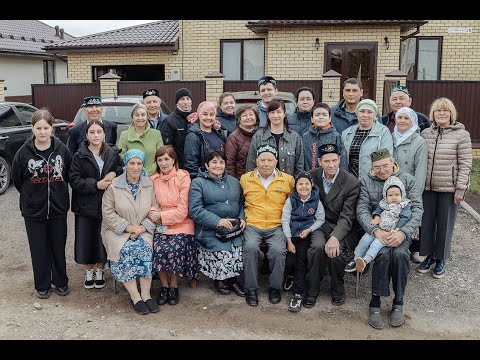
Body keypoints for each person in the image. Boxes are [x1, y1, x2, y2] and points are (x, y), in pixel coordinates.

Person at [356, 148, 423, 329]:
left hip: (402, 231)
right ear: (372, 167)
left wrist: (403, 232)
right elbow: (362, 209)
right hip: (379, 232)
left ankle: (398, 301)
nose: (382, 170)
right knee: (383, 255)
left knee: (400, 255)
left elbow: (417, 209)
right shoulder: (367, 182)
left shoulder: (407, 179)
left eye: (385, 165)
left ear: (392, 161)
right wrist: (374, 230)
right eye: (377, 167)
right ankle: (375, 301)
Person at [12, 109, 72, 299]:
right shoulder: (23, 153)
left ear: (52, 128)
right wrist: (32, 196)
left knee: (57, 246)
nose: (43, 132)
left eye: (46, 127)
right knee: (38, 249)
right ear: (32, 129)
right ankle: (42, 285)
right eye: (38, 128)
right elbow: (18, 179)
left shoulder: (62, 149)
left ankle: (61, 282)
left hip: (58, 209)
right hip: (33, 211)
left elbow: (69, 174)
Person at [418, 98, 472, 279]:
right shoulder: (426, 133)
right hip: (427, 188)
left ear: (451, 113)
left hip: (448, 188)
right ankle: (429, 256)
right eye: (438, 110)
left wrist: (460, 189)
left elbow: (465, 164)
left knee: (444, 225)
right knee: (427, 225)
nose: (441, 113)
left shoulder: (461, 135)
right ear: (432, 114)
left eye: (445, 110)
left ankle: (441, 258)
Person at [101, 149, 160, 315]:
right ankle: (135, 297)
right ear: (125, 165)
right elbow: (108, 213)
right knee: (126, 250)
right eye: (132, 163)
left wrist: (141, 228)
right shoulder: (114, 186)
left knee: (144, 250)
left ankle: (146, 295)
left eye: (139, 163)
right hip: (117, 231)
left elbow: (156, 209)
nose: (135, 167)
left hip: (143, 229)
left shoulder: (149, 184)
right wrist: (128, 228)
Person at [69, 120, 124, 290]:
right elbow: (74, 179)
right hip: (85, 205)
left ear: (104, 134)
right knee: (86, 238)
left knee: (102, 238)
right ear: (86, 135)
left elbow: (121, 168)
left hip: (106, 204)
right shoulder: (79, 155)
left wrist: (114, 172)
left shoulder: (112, 152)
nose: (96, 135)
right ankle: (88, 270)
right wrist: (96, 185)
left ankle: (100, 270)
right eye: (92, 132)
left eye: (99, 132)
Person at [306, 143, 361, 308]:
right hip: (319, 225)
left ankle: (337, 286)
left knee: (335, 251)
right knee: (316, 248)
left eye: (334, 160)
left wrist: (335, 237)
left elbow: (347, 215)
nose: (331, 165)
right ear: (320, 162)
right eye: (327, 161)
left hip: (341, 226)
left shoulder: (351, 182)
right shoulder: (311, 176)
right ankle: (312, 288)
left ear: (339, 160)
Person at [240, 144, 294, 306]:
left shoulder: (287, 180)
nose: (266, 163)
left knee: (278, 251)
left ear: (276, 161)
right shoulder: (245, 179)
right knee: (249, 248)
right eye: (262, 160)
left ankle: (275, 288)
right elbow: (240, 202)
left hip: (276, 225)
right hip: (253, 224)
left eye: (270, 160)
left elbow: (292, 204)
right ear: (256, 160)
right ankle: (251, 288)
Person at [188, 150, 246, 297]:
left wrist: (241, 218)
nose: (218, 165)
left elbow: (241, 203)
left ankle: (233, 280)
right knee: (222, 249)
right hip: (210, 229)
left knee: (240, 247)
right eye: (214, 162)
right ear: (206, 165)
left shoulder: (234, 181)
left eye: (221, 162)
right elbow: (195, 210)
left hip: (234, 228)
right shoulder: (198, 183)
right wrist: (218, 221)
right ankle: (220, 280)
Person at [149, 145, 198, 306]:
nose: (163, 163)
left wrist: (162, 216)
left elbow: (183, 210)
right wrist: (154, 214)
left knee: (175, 247)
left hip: (181, 222)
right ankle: (163, 286)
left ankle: (174, 285)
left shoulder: (183, 177)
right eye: (160, 160)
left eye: (167, 159)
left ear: (174, 160)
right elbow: (150, 204)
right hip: (159, 222)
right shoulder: (153, 179)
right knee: (159, 247)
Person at [345, 176, 411, 273]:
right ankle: (355, 259)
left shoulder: (404, 205)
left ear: (402, 194)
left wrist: (398, 229)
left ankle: (365, 261)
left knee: (375, 245)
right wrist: (376, 217)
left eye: (397, 194)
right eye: (390, 195)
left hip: (390, 232)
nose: (394, 197)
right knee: (364, 240)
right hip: (378, 228)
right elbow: (377, 211)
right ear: (385, 196)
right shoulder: (383, 204)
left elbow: (405, 218)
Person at [281, 171, 325, 313]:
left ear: (311, 185)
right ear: (296, 186)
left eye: (307, 184)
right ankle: (289, 276)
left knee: (301, 261)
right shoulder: (291, 200)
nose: (304, 186)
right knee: (288, 261)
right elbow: (285, 220)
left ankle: (297, 294)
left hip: (303, 235)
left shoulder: (316, 201)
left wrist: (310, 230)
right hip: (290, 234)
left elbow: (320, 219)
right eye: (300, 184)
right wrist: (288, 241)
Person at [392, 107, 428, 263]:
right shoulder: (390, 137)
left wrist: (415, 194)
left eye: (407, 118)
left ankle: (412, 248)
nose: (402, 121)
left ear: (413, 121)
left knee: (409, 217)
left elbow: (420, 172)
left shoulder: (419, 141)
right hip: (392, 188)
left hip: (409, 188)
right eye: (400, 118)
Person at [246, 99, 304, 177]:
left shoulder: (295, 138)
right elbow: (251, 165)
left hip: (287, 186)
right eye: (272, 112)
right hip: (263, 186)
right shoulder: (258, 136)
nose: (275, 115)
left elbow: (299, 167)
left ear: (284, 114)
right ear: (268, 114)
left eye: (279, 112)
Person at [342, 99, 393, 179]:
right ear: (357, 113)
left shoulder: (383, 132)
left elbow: (386, 159)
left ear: (374, 115)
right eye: (362, 111)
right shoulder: (347, 133)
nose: (365, 115)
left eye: (369, 112)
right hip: (349, 181)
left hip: (373, 180)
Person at [184, 101, 227, 179]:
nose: (208, 118)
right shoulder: (193, 136)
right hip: (203, 180)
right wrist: (199, 181)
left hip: (219, 178)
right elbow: (191, 164)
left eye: (211, 114)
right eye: (205, 114)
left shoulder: (219, 133)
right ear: (199, 115)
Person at [118, 103, 163, 176]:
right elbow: (121, 157)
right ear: (132, 118)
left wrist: (147, 172)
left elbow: (160, 157)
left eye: (143, 115)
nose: (140, 118)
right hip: (131, 176)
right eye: (137, 115)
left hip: (153, 176)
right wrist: (135, 171)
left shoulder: (156, 134)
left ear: (147, 116)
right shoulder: (124, 135)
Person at [303, 102, 348, 171]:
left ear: (330, 119)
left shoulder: (336, 137)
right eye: (317, 115)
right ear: (312, 119)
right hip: (309, 177)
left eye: (324, 115)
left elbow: (343, 159)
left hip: (331, 178)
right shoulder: (305, 137)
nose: (321, 117)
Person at [160, 88, 195, 169]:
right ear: (177, 103)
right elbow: (168, 148)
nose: (186, 102)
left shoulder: (196, 118)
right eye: (182, 99)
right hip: (178, 166)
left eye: (188, 98)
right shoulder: (169, 121)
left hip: (194, 165)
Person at [225, 104, 259, 179]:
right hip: (241, 180)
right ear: (239, 119)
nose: (248, 117)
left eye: (251, 114)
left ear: (256, 117)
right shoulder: (233, 138)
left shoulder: (261, 134)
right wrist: (233, 183)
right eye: (244, 115)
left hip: (260, 181)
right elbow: (230, 164)